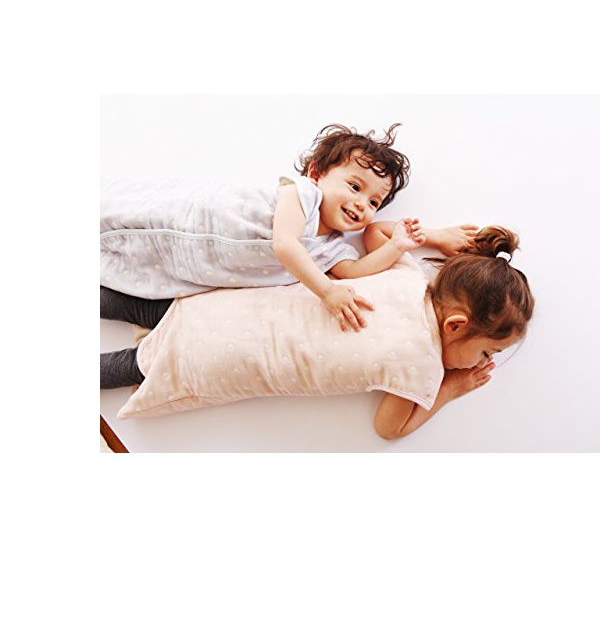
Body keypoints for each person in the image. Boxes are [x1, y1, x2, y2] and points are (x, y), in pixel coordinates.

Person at [100, 224, 535, 439]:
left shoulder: (408, 276)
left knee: (139, 305)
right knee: (132, 366)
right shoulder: (422, 369)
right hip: (220, 358)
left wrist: (436, 238)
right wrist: (450, 390)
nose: (483, 363)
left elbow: (378, 232)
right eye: (485, 352)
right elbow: (389, 428)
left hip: (229, 304)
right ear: (456, 325)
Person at [101, 123, 453, 332]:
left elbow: (355, 271)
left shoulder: (330, 248)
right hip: (187, 218)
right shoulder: (302, 195)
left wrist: (397, 245)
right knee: (122, 213)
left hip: (188, 262)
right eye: (355, 186)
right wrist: (327, 292)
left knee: (122, 269)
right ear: (317, 173)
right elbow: (284, 244)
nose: (363, 204)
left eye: (374, 202)